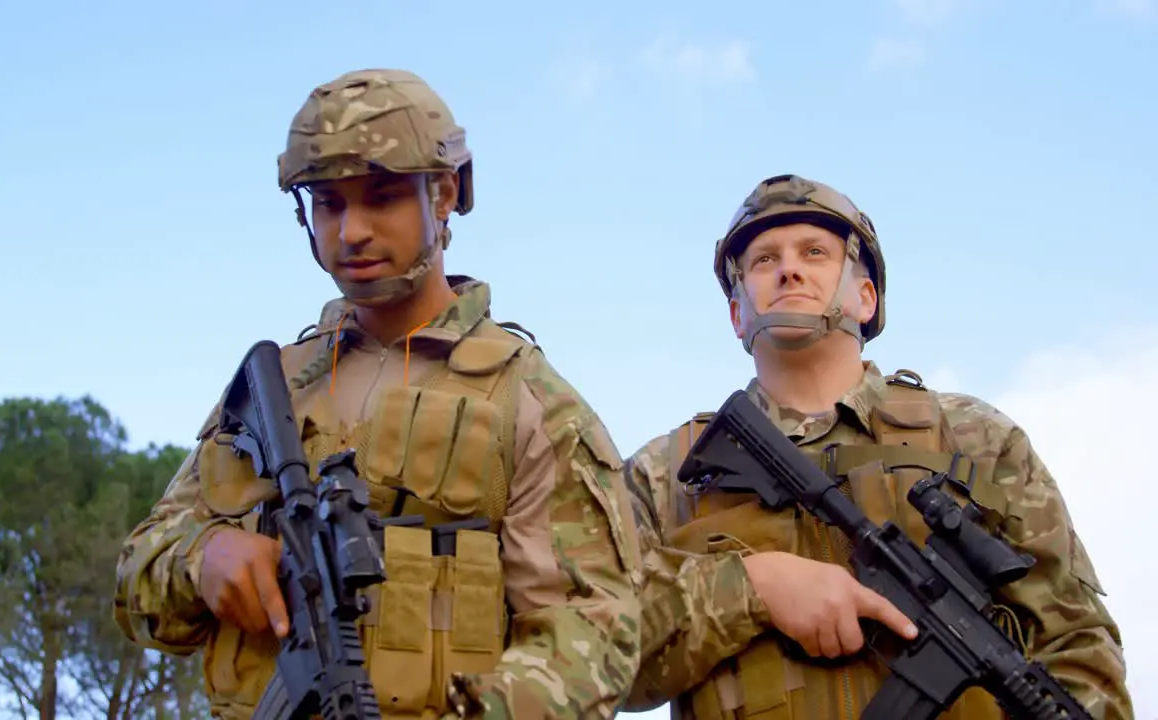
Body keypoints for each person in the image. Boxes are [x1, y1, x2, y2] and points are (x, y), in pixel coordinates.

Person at [112, 68, 643, 720]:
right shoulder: (270, 388)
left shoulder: (527, 400)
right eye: (329, 204)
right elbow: (139, 576)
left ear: (443, 194)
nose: (352, 230)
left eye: (382, 197)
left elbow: (594, 632)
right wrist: (203, 557)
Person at [620, 173, 1132, 720]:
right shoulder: (666, 471)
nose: (788, 268)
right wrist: (752, 587)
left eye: (815, 252)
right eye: (764, 261)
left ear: (865, 298)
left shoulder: (974, 438)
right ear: (736, 314)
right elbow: (590, 648)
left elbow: (1078, 646)